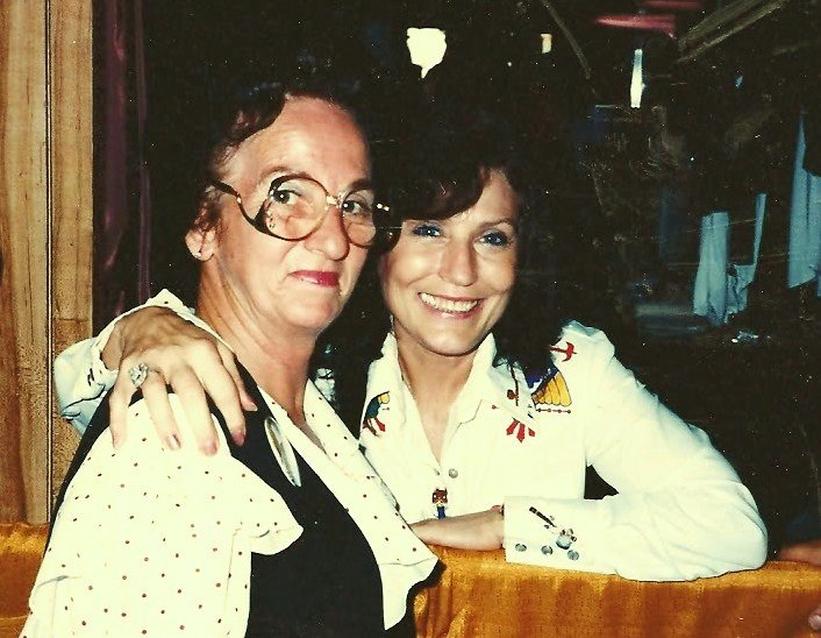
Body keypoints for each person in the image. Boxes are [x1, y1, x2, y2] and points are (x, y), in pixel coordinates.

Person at [54, 105, 768, 581]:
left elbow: (729, 525)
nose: (459, 274)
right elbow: (77, 396)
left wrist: (502, 526)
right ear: (378, 244)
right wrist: (139, 330)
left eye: (492, 238)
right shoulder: (315, 367)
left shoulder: (568, 366)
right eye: (428, 232)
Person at [24, 71, 437, 637]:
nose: (335, 239)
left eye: (354, 204)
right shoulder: (175, 437)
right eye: (287, 195)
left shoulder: (308, 415)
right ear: (203, 226)